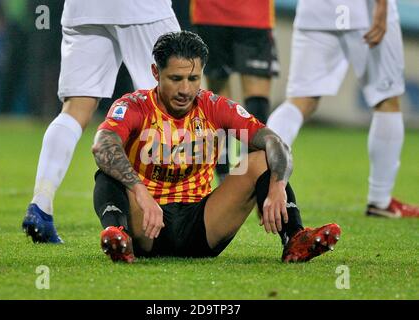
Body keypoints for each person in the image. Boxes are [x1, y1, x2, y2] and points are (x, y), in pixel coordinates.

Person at [91, 31, 341, 264]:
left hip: (202, 227)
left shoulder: (214, 106)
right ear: (156, 73)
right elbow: (103, 145)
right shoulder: (135, 106)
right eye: (175, 79)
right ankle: (118, 237)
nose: (185, 90)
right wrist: (141, 193)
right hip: (146, 225)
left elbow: (274, 142)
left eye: (193, 78)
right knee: (109, 167)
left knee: (262, 159)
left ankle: (295, 238)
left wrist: (277, 186)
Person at [21, 0, 181, 243]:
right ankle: (172, 214)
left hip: (83, 10)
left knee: (76, 107)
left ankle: (41, 205)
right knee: (175, 100)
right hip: (140, 8)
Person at [266, 0, 419, 218]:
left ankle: (262, 179)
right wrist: (382, 7)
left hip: (315, 10)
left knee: (300, 101)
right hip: (361, 11)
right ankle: (380, 199)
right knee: (386, 98)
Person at [191, 0, 279, 181]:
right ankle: (248, 178)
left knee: (219, 98)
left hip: (210, 13)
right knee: (256, 98)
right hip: (252, 15)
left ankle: (225, 179)